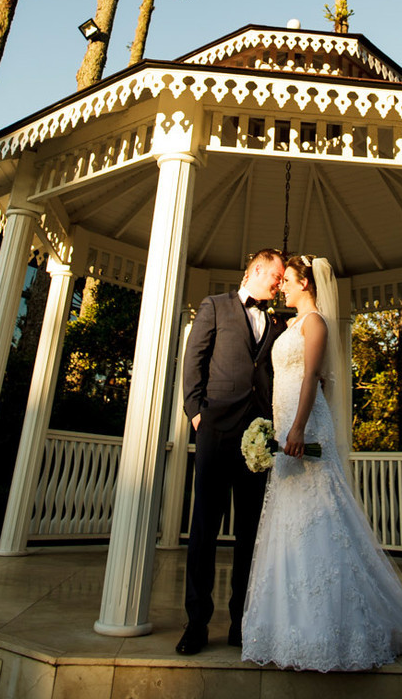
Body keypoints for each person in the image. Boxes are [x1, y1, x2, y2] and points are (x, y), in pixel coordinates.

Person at [241, 255, 402, 672]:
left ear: (307, 284)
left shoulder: (315, 324)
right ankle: (286, 627)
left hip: (306, 427)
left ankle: (330, 629)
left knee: (318, 517)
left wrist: (296, 429)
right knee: (288, 520)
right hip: (283, 427)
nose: (284, 288)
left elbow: (311, 377)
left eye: (289, 281)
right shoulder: (289, 325)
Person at [176, 248, 287, 656]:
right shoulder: (215, 306)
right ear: (257, 269)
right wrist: (195, 413)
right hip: (216, 431)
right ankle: (197, 623)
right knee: (204, 528)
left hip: (257, 436)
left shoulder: (276, 322)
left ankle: (242, 619)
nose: (279, 284)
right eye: (276, 276)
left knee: (250, 534)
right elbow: (194, 361)